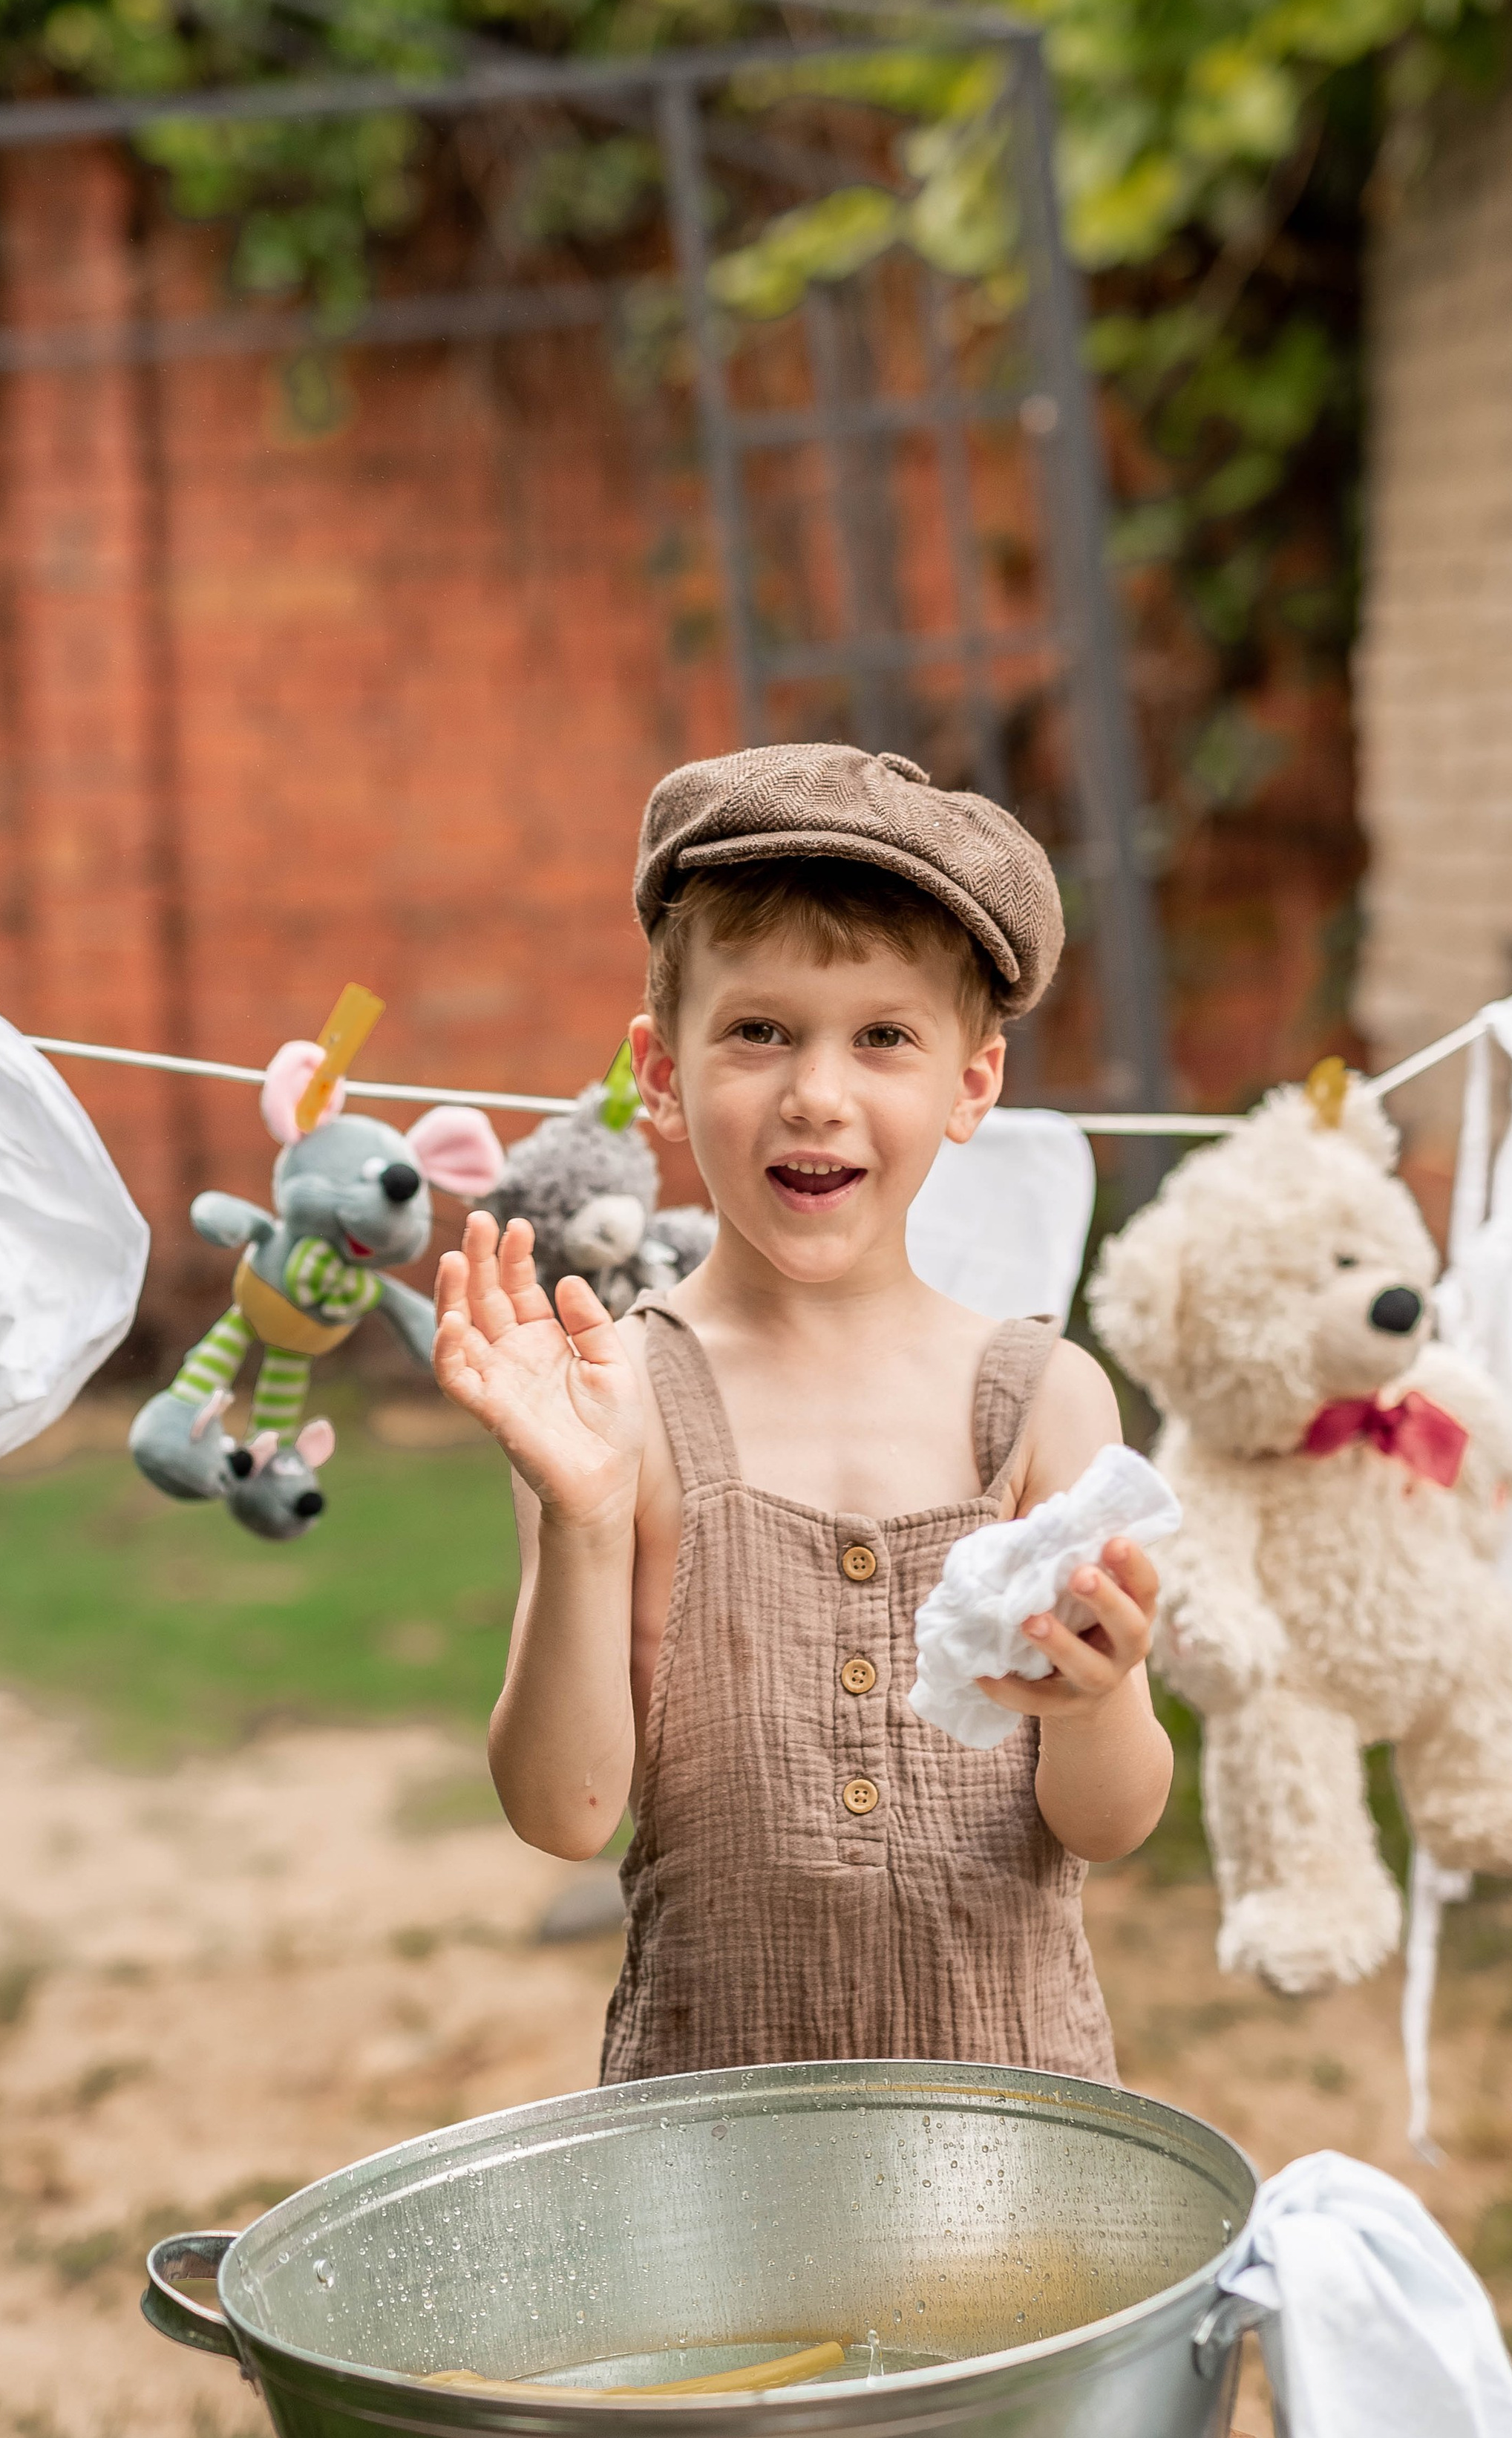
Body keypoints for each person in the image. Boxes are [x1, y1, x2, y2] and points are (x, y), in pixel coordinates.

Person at [433, 744, 1172, 2085]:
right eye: (760, 1029)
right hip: (710, 2149)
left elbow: (1109, 1824)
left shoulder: (1044, 1401)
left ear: (973, 1085)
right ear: (660, 1071)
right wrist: (586, 1520)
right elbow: (563, 1812)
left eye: (883, 1035)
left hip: (1010, 2144)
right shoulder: (620, 1403)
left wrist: (1101, 1696)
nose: (816, 1091)